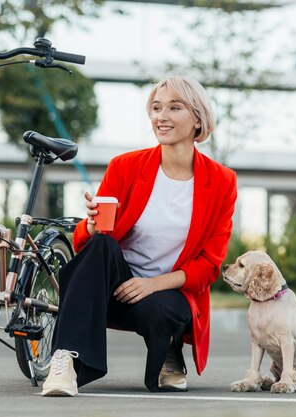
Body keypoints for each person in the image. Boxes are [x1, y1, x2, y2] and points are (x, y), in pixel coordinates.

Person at [41, 75, 238, 396]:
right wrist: (90, 225)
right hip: (112, 288)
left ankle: (170, 348)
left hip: (165, 293)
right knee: (101, 243)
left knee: (164, 314)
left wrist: (151, 284)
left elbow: (209, 266)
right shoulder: (125, 167)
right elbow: (89, 244)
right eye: (156, 108)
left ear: (198, 120)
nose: (162, 117)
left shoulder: (222, 182)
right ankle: (66, 358)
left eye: (175, 108)